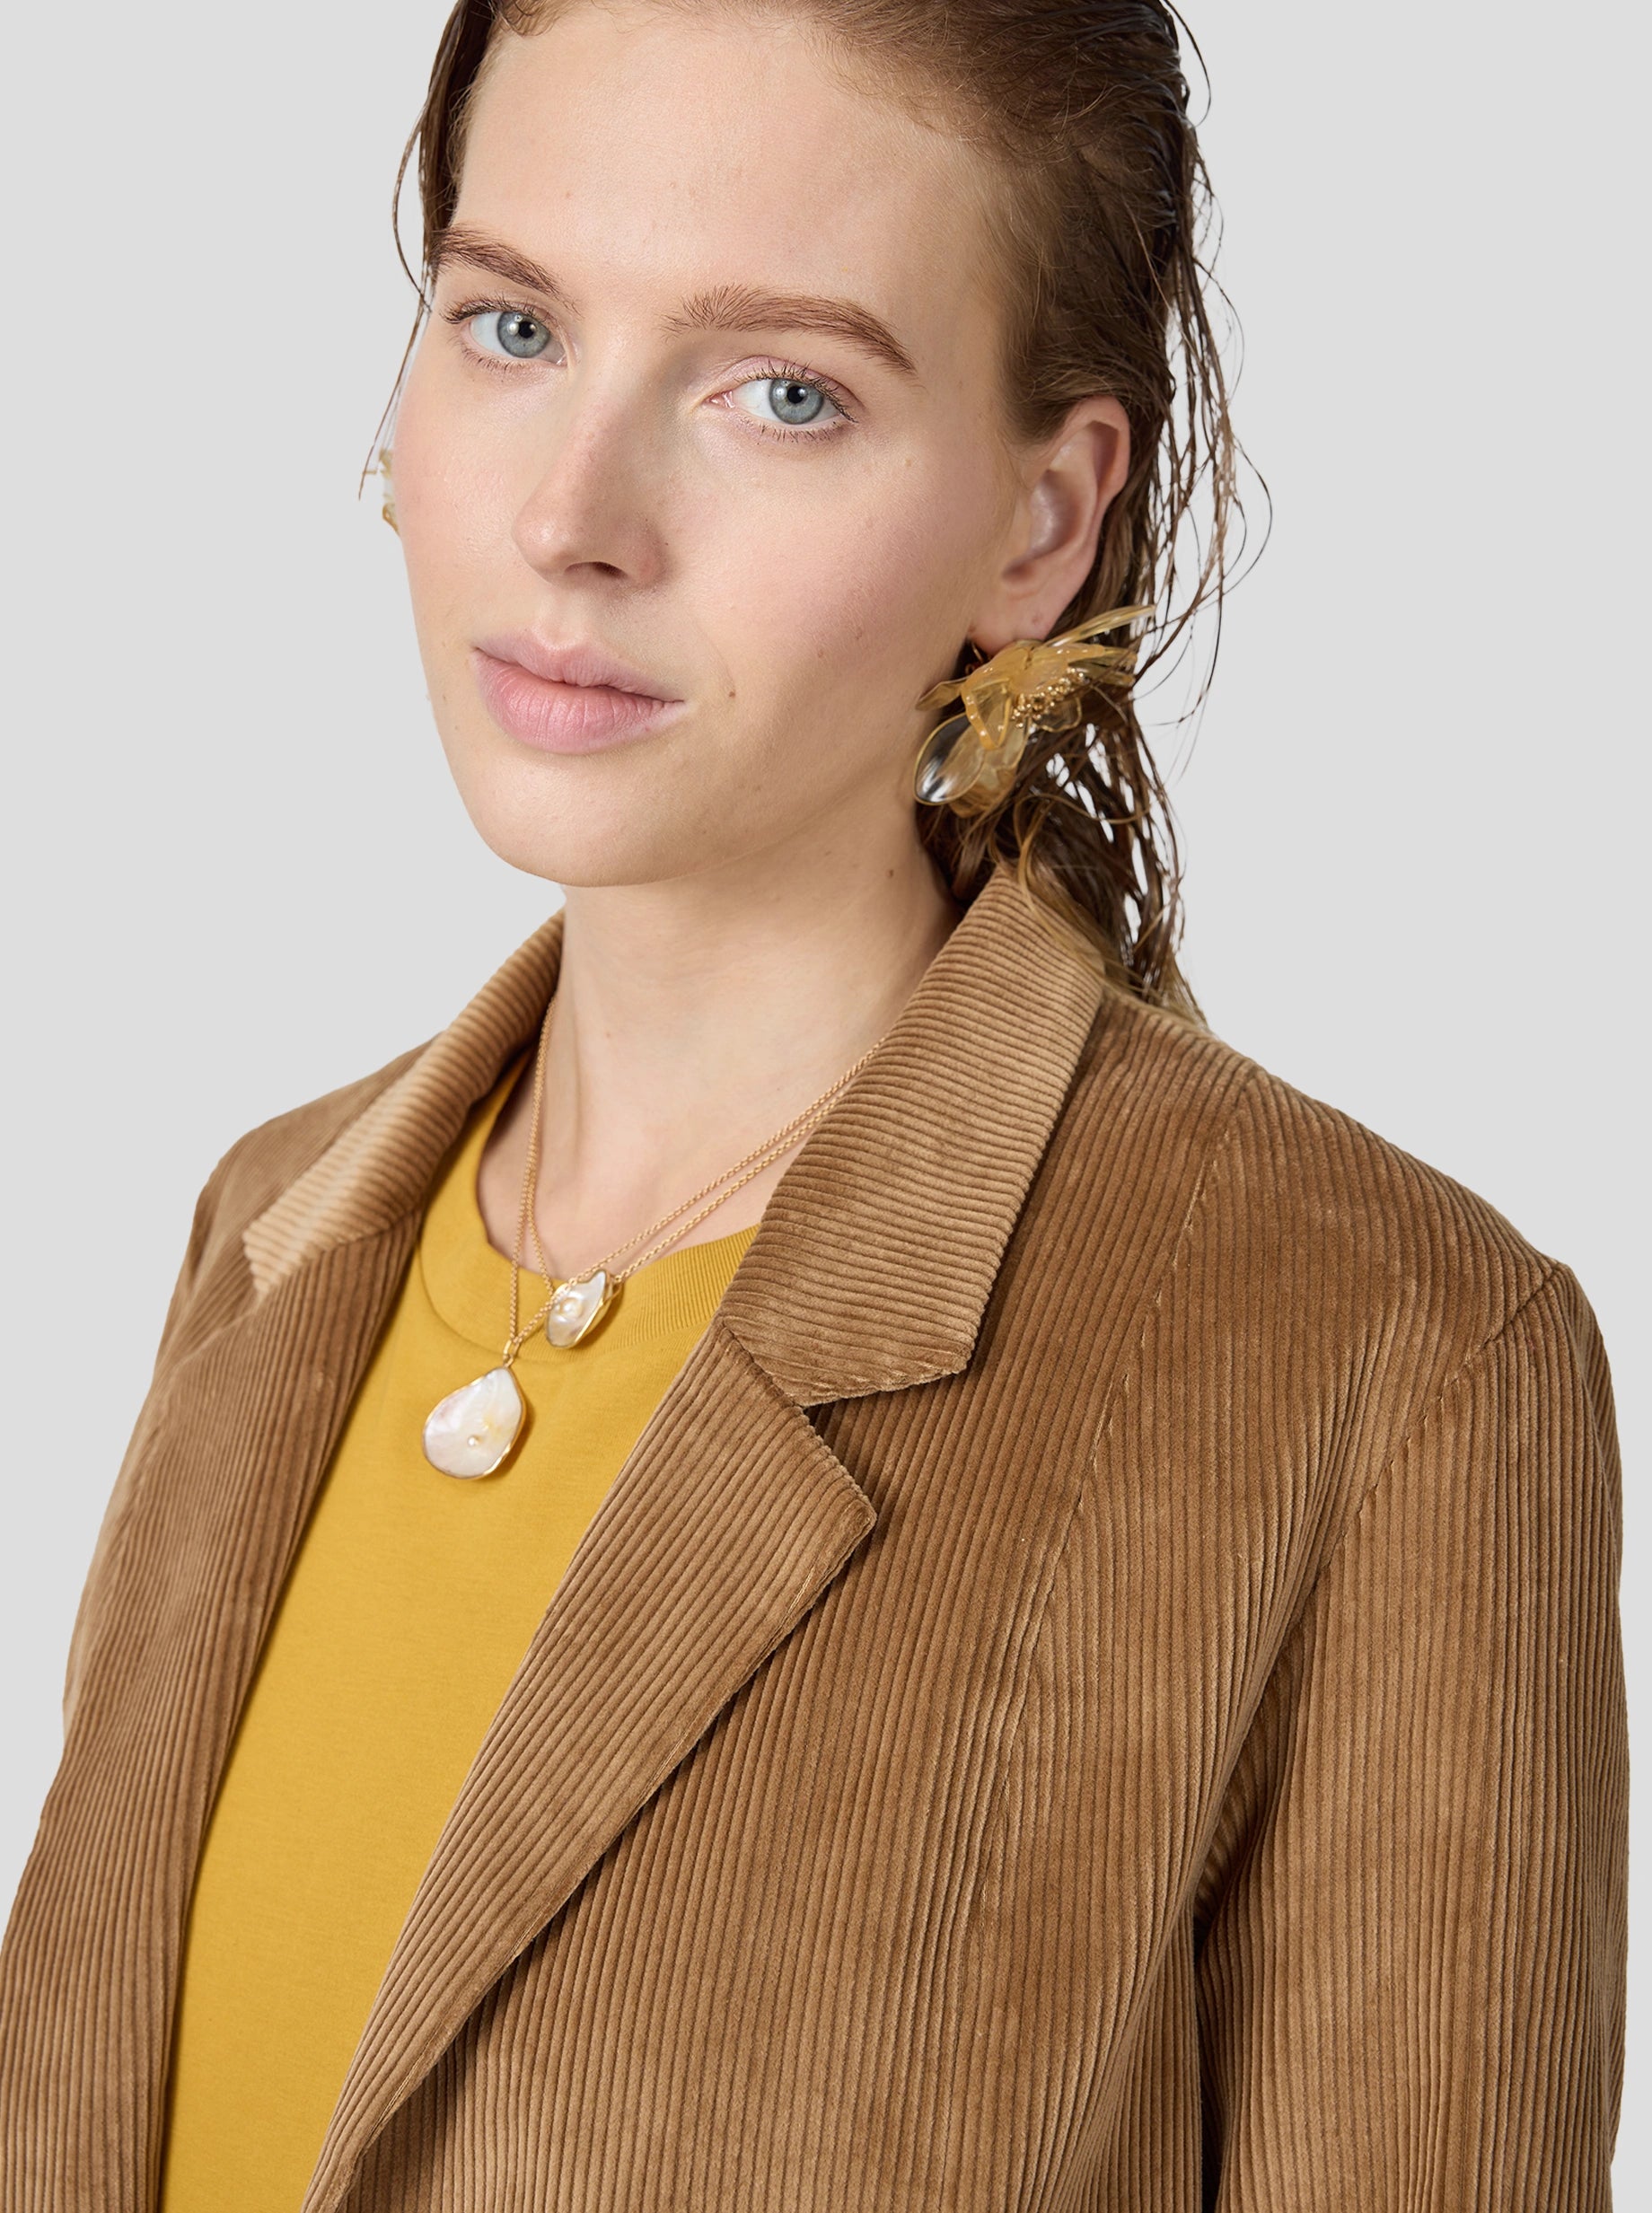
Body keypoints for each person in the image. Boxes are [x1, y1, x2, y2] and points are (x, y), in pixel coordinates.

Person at [0, 1, 1628, 2207]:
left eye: (782, 393)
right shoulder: (268, 1232)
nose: (571, 517)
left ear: (1039, 524)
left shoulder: (1384, 1353)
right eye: (509, 325)